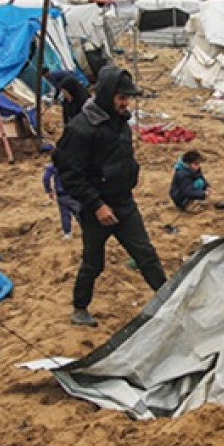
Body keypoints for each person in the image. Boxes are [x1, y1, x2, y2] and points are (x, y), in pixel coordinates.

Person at [54, 65, 167, 327]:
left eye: (127, 98)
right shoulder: (81, 129)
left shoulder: (121, 123)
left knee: (146, 255)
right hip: (97, 209)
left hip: (124, 202)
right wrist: (96, 205)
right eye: (121, 98)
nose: (125, 103)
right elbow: (70, 174)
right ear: (106, 95)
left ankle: (168, 299)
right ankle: (80, 308)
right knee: (93, 263)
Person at [43, 161, 81, 239]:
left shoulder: (54, 165)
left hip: (61, 194)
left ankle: (67, 233)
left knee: (64, 214)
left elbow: (46, 177)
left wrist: (49, 190)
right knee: (79, 211)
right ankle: (85, 228)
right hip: (73, 192)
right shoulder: (73, 162)